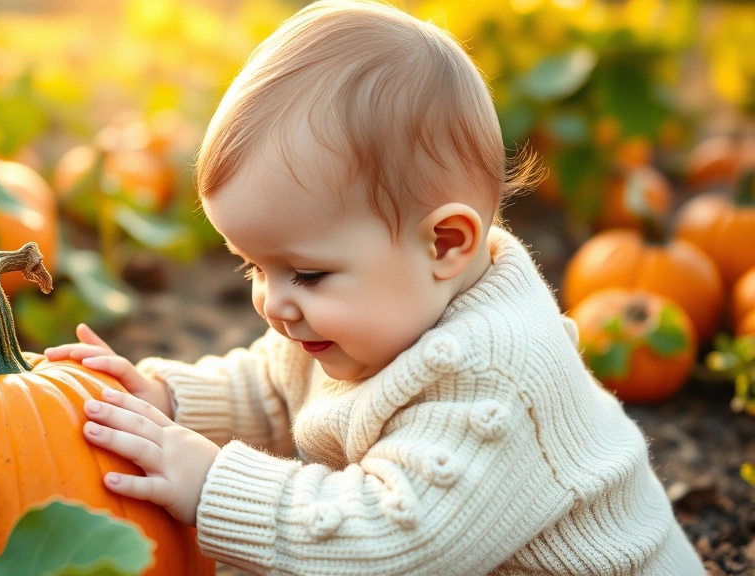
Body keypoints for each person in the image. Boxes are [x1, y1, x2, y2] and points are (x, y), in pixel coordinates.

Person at [44, 1, 706, 573]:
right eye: (252, 266)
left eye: (305, 272)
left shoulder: (498, 379)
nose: (274, 303)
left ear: (445, 244)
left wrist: (214, 485)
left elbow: (393, 543)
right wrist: (166, 400)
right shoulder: (372, 315)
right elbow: (274, 392)